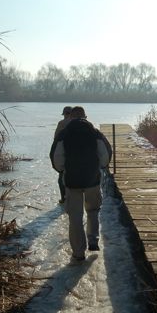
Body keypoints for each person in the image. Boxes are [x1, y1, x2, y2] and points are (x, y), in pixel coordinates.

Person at [50, 106, 112, 264]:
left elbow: (57, 157)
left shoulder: (64, 133)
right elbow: (105, 155)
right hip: (92, 179)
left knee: (75, 217)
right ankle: (93, 241)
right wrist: (100, 167)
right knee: (92, 211)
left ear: (70, 117)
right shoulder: (94, 132)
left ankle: (78, 253)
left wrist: (63, 170)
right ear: (85, 117)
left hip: (72, 181)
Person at [54, 106, 72, 203]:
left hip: (64, 153)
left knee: (61, 177)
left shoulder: (61, 123)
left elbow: (56, 139)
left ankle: (64, 198)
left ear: (64, 114)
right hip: (76, 154)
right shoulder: (78, 123)